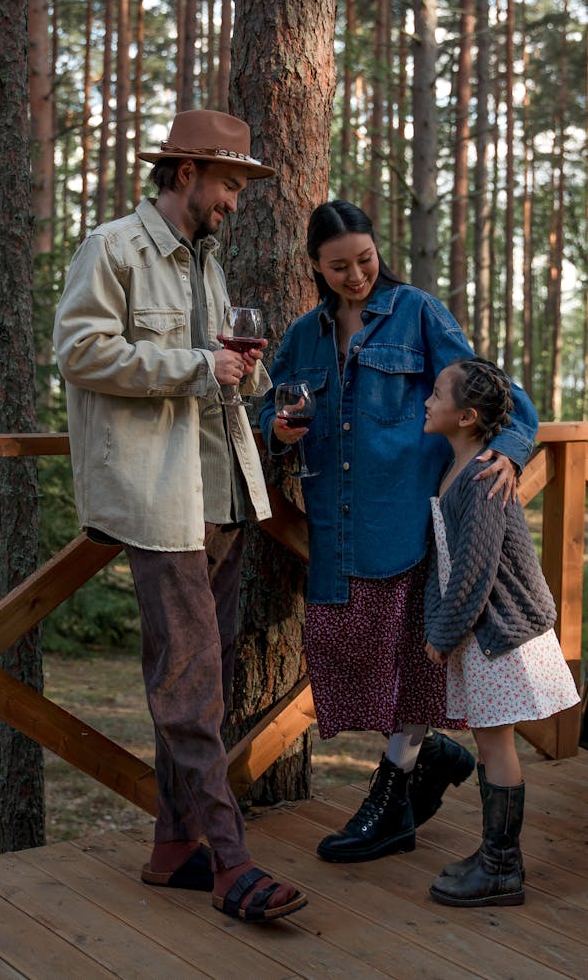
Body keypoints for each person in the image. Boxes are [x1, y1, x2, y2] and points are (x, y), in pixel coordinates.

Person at [53, 109, 308, 924]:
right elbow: (82, 351)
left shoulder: (208, 264)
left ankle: (173, 845)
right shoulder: (114, 248)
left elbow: (218, 374)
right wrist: (203, 365)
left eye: (240, 185)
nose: (236, 199)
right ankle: (232, 863)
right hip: (158, 499)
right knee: (190, 682)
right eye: (230, 183)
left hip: (223, 494)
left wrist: (258, 391)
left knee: (208, 671)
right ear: (186, 173)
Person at [258, 198, 540, 864]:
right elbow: (269, 404)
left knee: (413, 660)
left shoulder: (417, 311)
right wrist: (277, 428)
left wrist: (515, 445)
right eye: (339, 266)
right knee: (350, 648)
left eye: (365, 259)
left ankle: (388, 798)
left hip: (413, 522)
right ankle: (428, 754)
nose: (356, 275)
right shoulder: (303, 334)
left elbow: (491, 386)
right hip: (339, 530)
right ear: (316, 268)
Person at [422, 357, 580, 906]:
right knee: (491, 743)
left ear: (465, 417)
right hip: (482, 633)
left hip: (500, 634)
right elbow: (449, 562)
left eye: (437, 394)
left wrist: (442, 636)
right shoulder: (460, 469)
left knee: (496, 745)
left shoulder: (482, 476)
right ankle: (495, 855)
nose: (427, 400)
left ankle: (501, 867)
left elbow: (474, 571)